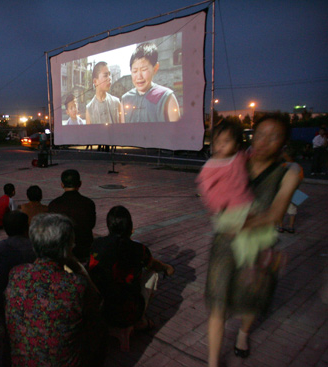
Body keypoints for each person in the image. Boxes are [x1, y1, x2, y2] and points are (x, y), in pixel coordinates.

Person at [206, 113, 302, 367]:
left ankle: (243, 335)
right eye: (260, 134)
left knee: (251, 301)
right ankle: (213, 362)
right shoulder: (236, 159)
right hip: (225, 244)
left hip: (259, 246)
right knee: (218, 302)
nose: (264, 141)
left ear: (283, 143)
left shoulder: (289, 170)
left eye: (274, 137)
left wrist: (239, 223)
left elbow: (277, 212)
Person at [5, 213, 105, 366]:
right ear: (67, 247)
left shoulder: (17, 274)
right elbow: (96, 306)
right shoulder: (76, 285)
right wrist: (75, 265)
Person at [197, 120, 277, 269]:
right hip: (228, 210)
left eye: (226, 141)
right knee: (242, 239)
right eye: (217, 142)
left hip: (246, 203)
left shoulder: (239, 156)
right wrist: (218, 206)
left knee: (264, 228)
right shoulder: (212, 166)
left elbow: (253, 156)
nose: (220, 145)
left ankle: (266, 252)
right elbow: (206, 189)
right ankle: (250, 264)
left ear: (237, 144)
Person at [89, 206, 174, 335]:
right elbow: (153, 265)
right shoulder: (139, 249)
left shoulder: (97, 244)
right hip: (129, 312)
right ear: (130, 227)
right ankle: (139, 322)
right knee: (152, 274)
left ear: (109, 226)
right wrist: (166, 268)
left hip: (101, 308)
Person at [0, 210, 35, 315]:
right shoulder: (35, 247)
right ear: (26, 227)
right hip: (31, 293)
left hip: (3, 294)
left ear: (5, 228)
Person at [121, 43, 180, 123]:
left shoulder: (167, 97)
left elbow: (177, 133)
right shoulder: (125, 99)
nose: (139, 76)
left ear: (155, 68)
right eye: (134, 71)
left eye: (144, 69)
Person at [48, 169, 96, 262]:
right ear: (80, 184)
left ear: (62, 184)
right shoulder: (88, 203)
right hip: (83, 250)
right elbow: (91, 224)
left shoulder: (54, 204)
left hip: (62, 251)